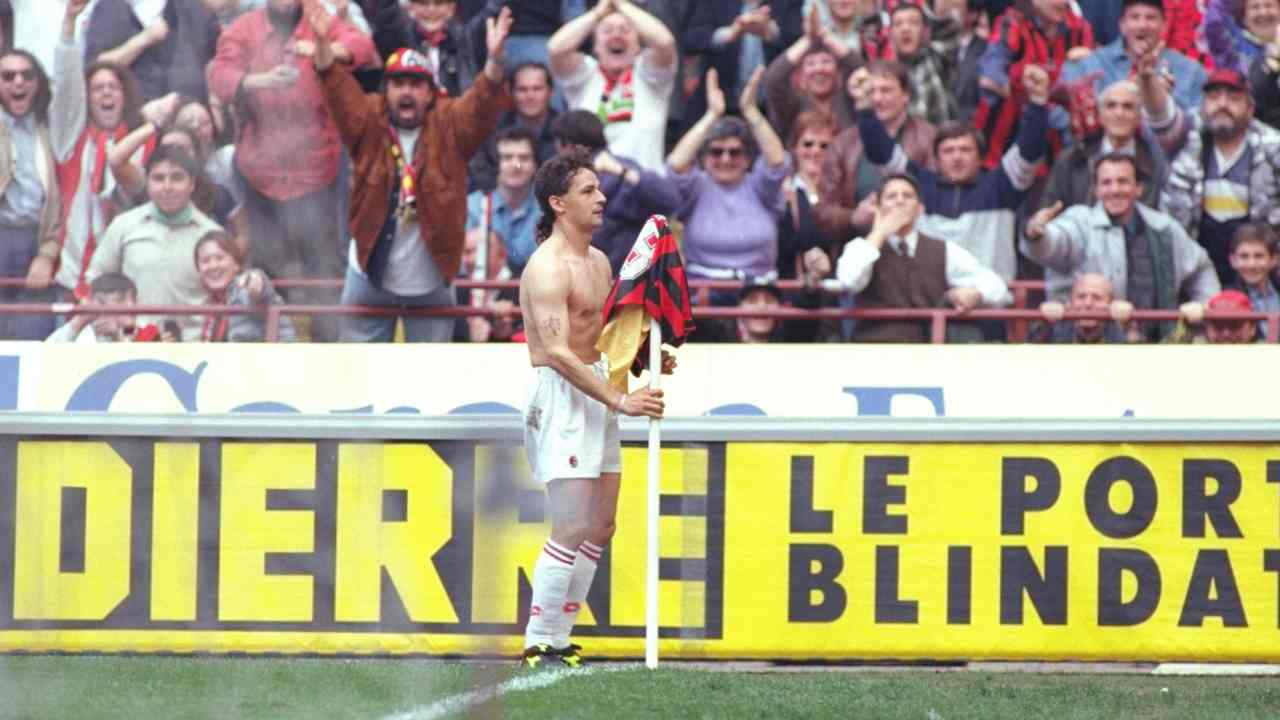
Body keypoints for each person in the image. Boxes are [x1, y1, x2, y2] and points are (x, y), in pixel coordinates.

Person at [517, 149, 668, 669]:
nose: (601, 198)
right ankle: (538, 639)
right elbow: (558, 353)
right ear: (558, 203)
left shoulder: (600, 261)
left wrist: (646, 350)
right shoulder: (547, 268)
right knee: (572, 524)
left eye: (599, 188)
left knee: (601, 525)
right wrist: (620, 399)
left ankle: (559, 637)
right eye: (588, 190)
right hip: (563, 394)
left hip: (598, 385)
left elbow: (604, 335)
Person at [315, 4, 512, 342]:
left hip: (432, 280)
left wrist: (494, 61)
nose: (407, 91)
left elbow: (482, 101)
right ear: (386, 90)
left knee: (431, 377)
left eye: (416, 84)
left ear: (430, 92)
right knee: (360, 371)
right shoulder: (367, 119)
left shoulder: (450, 122)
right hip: (368, 273)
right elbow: (335, 85)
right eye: (398, 83)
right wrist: (321, 43)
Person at [208, 0, 377, 342]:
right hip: (261, 173)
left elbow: (363, 46)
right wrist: (259, 80)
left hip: (318, 172)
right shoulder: (244, 28)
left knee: (325, 269)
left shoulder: (319, 19)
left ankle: (327, 356)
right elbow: (220, 78)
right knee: (264, 269)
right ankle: (263, 351)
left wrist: (321, 47)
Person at [854, 62, 1051, 283]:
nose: (957, 157)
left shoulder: (1001, 186)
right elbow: (881, 154)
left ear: (981, 158)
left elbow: (1030, 151)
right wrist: (863, 106)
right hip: (931, 304)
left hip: (989, 304)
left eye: (965, 150)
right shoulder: (919, 186)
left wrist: (1038, 101)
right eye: (948, 151)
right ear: (936, 160)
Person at [1021, 153, 1220, 340]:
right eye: (1106, 183)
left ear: (1138, 188)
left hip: (1157, 346)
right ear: (1097, 190)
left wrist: (1206, 307)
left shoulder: (1164, 229)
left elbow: (1201, 267)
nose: (1115, 190)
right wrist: (1035, 233)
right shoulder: (1080, 221)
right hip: (1092, 346)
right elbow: (1054, 244)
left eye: (1123, 181)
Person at [831, 172, 1011, 342]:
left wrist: (977, 294)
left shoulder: (943, 250)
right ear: (878, 208)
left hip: (927, 354)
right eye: (891, 196)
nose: (900, 201)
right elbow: (850, 280)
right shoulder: (860, 247)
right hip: (873, 351)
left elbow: (998, 287)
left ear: (919, 209)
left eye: (907, 196)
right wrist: (879, 233)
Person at [49, 0, 146, 302]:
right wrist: (68, 27)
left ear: (124, 95)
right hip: (70, 279)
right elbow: (66, 87)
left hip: (122, 284)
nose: (105, 93)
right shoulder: (69, 142)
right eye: (97, 88)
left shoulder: (140, 145)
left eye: (113, 87)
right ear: (87, 98)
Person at [1147, 67, 1280, 286]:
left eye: (1234, 98)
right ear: (1202, 106)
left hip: (1260, 268)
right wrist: (1147, 77)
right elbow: (1159, 118)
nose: (1222, 104)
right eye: (1214, 97)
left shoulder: (1273, 147)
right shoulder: (1185, 138)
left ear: (1250, 108)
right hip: (1194, 265)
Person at [667, 67, 790, 299]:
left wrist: (751, 112)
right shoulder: (696, 186)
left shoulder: (761, 186)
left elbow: (777, 163)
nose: (725, 159)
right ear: (704, 158)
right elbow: (675, 166)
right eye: (716, 152)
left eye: (735, 152)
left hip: (757, 292)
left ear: (747, 159)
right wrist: (711, 115)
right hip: (702, 293)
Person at [85, 144, 224, 339]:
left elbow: (226, 295)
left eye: (177, 178)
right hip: (131, 345)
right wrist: (113, 321)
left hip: (195, 350)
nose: (167, 187)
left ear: (192, 184)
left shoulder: (212, 234)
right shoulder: (124, 226)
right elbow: (96, 280)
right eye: (158, 178)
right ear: (147, 182)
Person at [813, 59, 936, 251]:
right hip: (859, 250)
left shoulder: (929, 138)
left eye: (886, 90)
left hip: (916, 250)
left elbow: (938, 195)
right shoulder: (843, 143)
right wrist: (852, 217)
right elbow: (821, 212)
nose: (877, 99)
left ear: (905, 95)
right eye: (871, 92)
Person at [547, 0, 677, 173]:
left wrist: (621, 4)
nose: (616, 35)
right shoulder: (584, 75)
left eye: (625, 30)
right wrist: (598, 13)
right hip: (593, 189)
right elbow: (555, 48)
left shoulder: (650, 76)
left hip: (644, 188)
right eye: (607, 30)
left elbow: (665, 42)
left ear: (638, 45)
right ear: (595, 46)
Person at [549, 109, 682, 275]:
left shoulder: (621, 170)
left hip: (619, 281)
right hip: (591, 278)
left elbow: (671, 200)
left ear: (567, 145)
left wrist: (621, 171)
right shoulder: (560, 178)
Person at [973, 0, 1094, 170]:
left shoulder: (1079, 29)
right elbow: (989, 77)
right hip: (1001, 151)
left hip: (1058, 151)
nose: (1062, 2)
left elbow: (1091, 82)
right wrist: (1024, 93)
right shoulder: (1013, 23)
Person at [0, 48, 63, 340]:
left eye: (27, 75)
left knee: (31, 335)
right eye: (8, 76)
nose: (18, 83)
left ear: (38, 84)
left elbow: (60, 203)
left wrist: (47, 255)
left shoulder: (51, 130)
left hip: (35, 240)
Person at [1060, 0, 1206, 114]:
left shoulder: (1190, 71)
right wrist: (1128, 89)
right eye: (1134, 17)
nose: (1142, 25)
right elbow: (1062, 112)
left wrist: (1162, 100)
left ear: (1164, 25)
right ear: (1122, 25)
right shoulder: (1090, 64)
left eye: (1151, 18)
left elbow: (1198, 128)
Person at [1042, 79, 1166, 210]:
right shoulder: (1072, 159)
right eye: (1111, 106)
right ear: (1100, 116)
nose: (1119, 114)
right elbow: (1048, 208)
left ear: (1139, 118)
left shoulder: (1154, 163)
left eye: (1128, 107)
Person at [83, 0, 221, 103]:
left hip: (189, 118)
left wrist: (214, 102)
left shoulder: (193, 9)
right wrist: (144, 39)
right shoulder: (110, 9)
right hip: (134, 119)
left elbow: (218, 60)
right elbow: (96, 69)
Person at [763, 4, 861, 143]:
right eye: (810, 64)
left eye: (826, 61)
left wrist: (825, 34)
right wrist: (808, 39)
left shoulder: (849, 100)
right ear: (800, 76)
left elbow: (860, 70)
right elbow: (773, 79)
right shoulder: (791, 104)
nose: (819, 69)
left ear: (838, 72)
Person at [468, 62, 558, 193]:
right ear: (510, 92)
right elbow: (480, 171)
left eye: (537, 89)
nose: (530, 96)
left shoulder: (564, 132)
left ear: (550, 92)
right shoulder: (491, 128)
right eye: (522, 89)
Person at [193, 229, 296, 341]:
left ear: (236, 264)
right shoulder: (212, 303)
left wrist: (255, 281)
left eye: (220, 258)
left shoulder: (242, 289)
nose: (213, 266)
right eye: (205, 261)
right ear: (198, 270)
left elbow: (261, 291)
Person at [368, 0, 483, 97]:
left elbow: (493, 11)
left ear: (451, 8)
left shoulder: (466, 40)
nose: (431, 10)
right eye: (423, 3)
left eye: (439, 3)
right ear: (410, 8)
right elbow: (385, 14)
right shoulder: (399, 38)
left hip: (454, 118)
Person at [466, 125, 540, 274]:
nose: (516, 165)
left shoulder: (548, 209)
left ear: (535, 166)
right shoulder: (471, 207)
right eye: (507, 158)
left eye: (524, 158)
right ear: (494, 164)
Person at [45, 271, 163, 342]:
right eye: (120, 299)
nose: (131, 305)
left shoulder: (149, 332)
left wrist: (118, 338)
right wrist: (77, 323)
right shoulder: (80, 333)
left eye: (134, 299)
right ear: (99, 303)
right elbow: (46, 359)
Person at [1035, 272, 1133, 343]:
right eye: (1081, 297)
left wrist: (1127, 325)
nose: (1087, 304)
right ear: (1070, 302)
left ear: (1110, 303)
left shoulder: (1119, 328)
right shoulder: (1056, 327)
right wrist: (1044, 323)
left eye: (1097, 297)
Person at [1224, 222, 1280, 338]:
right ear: (1233, 260)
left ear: (1274, 259)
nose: (1251, 265)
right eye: (1244, 256)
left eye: (1259, 256)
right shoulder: (1225, 298)